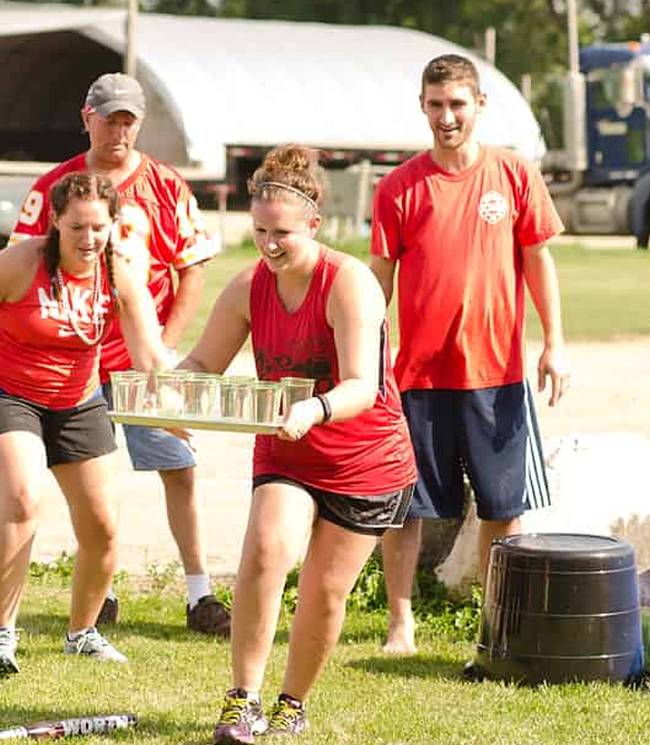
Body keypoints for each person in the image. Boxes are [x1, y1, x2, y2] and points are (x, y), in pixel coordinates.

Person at [177, 144, 417, 743]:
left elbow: (365, 384)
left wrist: (314, 408)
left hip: (364, 458)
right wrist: (158, 388)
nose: (269, 245)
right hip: (286, 450)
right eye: (259, 231)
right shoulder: (249, 283)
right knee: (263, 550)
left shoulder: (349, 282)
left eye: (281, 232)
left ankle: (292, 704)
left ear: (314, 223)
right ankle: (243, 700)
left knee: (324, 591)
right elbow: (206, 360)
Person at [9, 73, 228, 636]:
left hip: (138, 356)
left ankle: (199, 593)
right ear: (88, 118)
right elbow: (24, 259)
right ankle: (92, 599)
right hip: (62, 359)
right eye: (110, 118)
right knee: (45, 489)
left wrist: (167, 349)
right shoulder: (56, 184)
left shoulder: (165, 184)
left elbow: (192, 265)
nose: (120, 130)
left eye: (130, 119)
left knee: (176, 467)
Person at [370, 54, 570, 654]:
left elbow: (538, 258)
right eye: (436, 105)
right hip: (419, 379)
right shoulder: (398, 187)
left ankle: (495, 623)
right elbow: (379, 279)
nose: (446, 117)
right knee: (408, 507)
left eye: (457, 104)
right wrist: (366, 358)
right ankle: (399, 625)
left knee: (503, 508)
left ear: (480, 105)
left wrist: (554, 343)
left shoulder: (512, 173)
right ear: (422, 107)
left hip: (498, 375)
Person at [0, 171, 168, 675]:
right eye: (77, 228)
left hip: (79, 400)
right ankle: (3, 632)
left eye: (99, 227)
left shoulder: (119, 272)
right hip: (14, 395)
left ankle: (82, 633)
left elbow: (149, 356)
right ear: (55, 222)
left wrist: (176, 410)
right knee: (25, 501)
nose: (89, 239)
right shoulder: (20, 262)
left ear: (114, 224)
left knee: (102, 526)